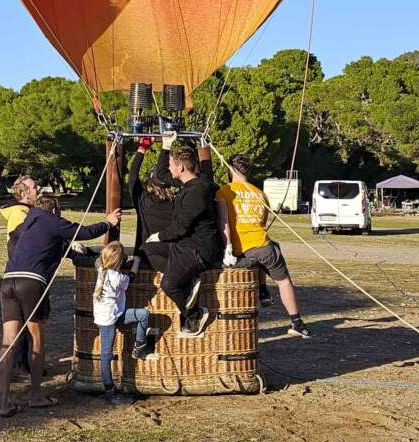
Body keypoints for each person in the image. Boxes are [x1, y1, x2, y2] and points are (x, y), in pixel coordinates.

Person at [0, 194, 120, 417]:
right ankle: (35, 396)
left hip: (8, 282)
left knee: (9, 342)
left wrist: (67, 249)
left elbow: (44, 245)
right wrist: (108, 222)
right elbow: (83, 231)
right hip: (31, 282)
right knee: (37, 338)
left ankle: (4, 403)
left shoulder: (26, 223)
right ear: (55, 210)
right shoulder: (50, 218)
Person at [216, 154, 311, 339]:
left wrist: (227, 247)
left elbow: (223, 222)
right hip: (264, 246)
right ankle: (296, 321)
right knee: (283, 281)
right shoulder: (260, 194)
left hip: (240, 249)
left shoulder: (224, 191)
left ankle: (264, 291)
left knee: (255, 259)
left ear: (231, 170)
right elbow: (262, 222)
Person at [142, 145, 221, 338]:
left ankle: (194, 314)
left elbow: (181, 227)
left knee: (169, 285)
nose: (169, 168)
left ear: (181, 168)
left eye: (171, 165)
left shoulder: (197, 192)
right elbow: (160, 175)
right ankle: (185, 277)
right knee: (147, 249)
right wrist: (166, 146)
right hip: (184, 245)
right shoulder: (188, 185)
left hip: (198, 250)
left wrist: (160, 235)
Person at [92, 241, 157, 406]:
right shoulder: (117, 277)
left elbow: (98, 261)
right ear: (119, 262)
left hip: (115, 314)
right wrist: (136, 261)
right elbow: (132, 276)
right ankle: (109, 391)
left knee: (143, 314)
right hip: (108, 320)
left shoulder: (101, 270)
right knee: (106, 355)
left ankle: (139, 345)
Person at [0, 174, 41, 374]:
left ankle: (23, 362)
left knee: (24, 323)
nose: (38, 188)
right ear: (23, 193)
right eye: (34, 187)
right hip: (24, 273)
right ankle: (25, 363)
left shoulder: (27, 211)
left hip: (21, 273)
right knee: (26, 323)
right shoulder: (20, 214)